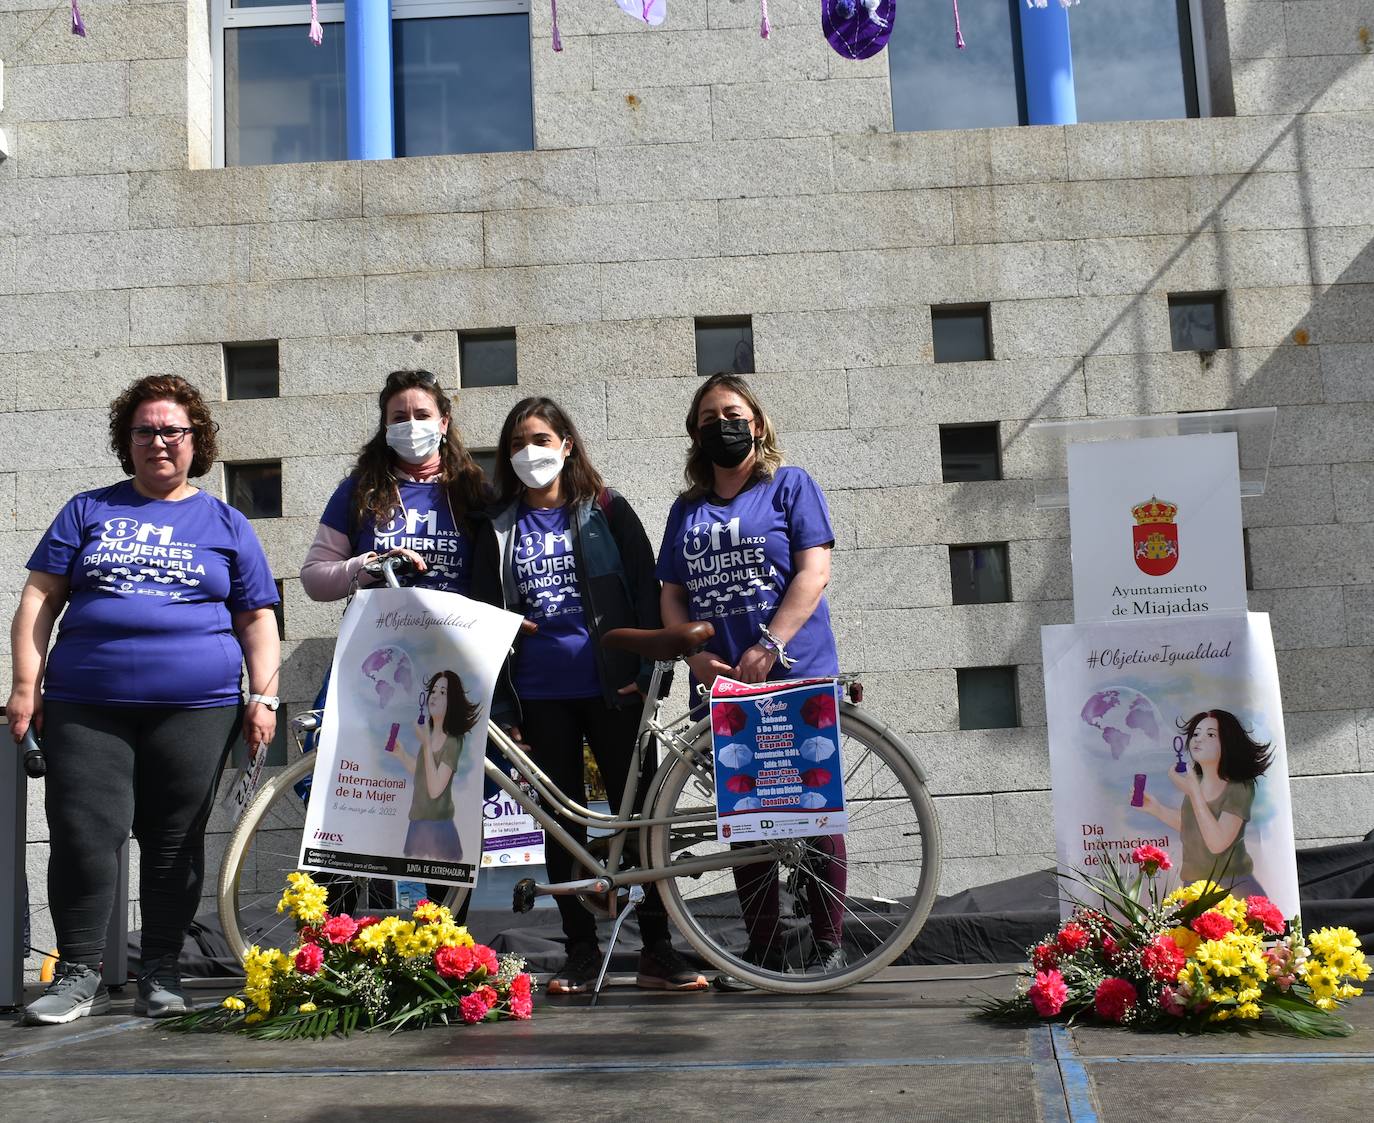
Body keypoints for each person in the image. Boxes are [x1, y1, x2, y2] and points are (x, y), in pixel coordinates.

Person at [7, 375, 280, 1025]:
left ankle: (160, 969)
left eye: (172, 430)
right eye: (145, 430)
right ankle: (77, 974)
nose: (159, 441)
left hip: (198, 707)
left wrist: (264, 695)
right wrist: (26, 685)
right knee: (83, 835)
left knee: (173, 842)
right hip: (86, 704)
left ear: (195, 441)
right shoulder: (86, 511)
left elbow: (257, 617)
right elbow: (39, 600)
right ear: (126, 440)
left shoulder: (226, 522)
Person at [471, 396, 708, 994]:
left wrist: (652, 670)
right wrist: (502, 707)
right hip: (538, 697)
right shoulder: (497, 526)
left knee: (642, 820)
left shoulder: (606, 509)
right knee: (561, 826)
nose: (531, 452)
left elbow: (648, 588)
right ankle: (580, 950)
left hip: (614, 689)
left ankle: (659, 950)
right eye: (519, 442)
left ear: (567, 445)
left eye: (543, 439)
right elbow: (483, 618)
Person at [656, 372, 848, 979]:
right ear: (695, 434)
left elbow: (813, 573)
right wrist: (692, 656)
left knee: (813, 812)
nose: (723, 425)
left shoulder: (791, 487)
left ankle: (829, 942)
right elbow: (671, 593)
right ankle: (763, 948)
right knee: (747, 818)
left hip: (793, 669)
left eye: (733, 413)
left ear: (757, 423)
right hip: (723, 682)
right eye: (709, 418)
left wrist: (770, 643)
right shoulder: (686, 508)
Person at [300, 369, 487, 602]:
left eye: (422, 415)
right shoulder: (358, 490)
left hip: (455, 633)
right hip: (382, 633)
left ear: (443, 423)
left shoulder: (475, 492)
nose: (411, 426)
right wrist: (375, 565)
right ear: (386, 428)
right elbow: (314, 580)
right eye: (399, 418)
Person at [1138, 709, 1273, 897]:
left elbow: (1217, 843)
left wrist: (1194, 792)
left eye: (1210, 734)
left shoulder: (1238, 786)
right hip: (1194, 886)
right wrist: (1156, 809)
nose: (1198, 739)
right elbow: (1194, 826)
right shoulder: (1196, 781)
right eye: (1195, 734)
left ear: (1227, 742)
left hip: (1232, 886)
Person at [397, 670, 481, 861]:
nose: (435, 696)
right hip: (417, 822)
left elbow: (435, 789)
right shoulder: (431, 732)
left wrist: (426, 745)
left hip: (438, 827)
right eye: (433, 691)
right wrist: (401, 754)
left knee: (443, 886)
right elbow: (423, 775)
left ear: (453, 701)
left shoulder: (452, 740)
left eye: (443, 692)